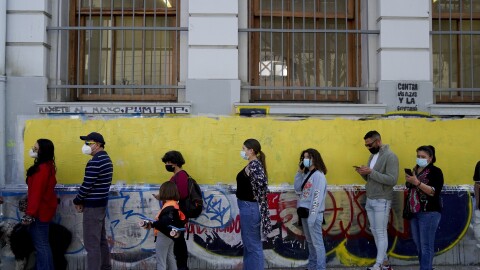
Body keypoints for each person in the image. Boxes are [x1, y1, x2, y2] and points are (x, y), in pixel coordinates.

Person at [355, 130, 398, 270]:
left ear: (378, 141)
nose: (368, 147)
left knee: (380, 231)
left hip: (382, 200)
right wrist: (363, 173)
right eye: (366, 145)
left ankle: (379, 265)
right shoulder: (372, 156)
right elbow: (371, 178)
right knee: (374, 230)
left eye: (370, 144)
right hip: (371, 198)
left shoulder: (391, 157)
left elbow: (392, 180)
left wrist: (371, 172)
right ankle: (385, 263)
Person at [73, 132, 113, 270]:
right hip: (101, 205)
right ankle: (105, 267)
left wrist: (77, 200)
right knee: (101, 240)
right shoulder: (106, 159)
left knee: (92, 245)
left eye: (88, 143)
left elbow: (87, 185)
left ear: (97, 144)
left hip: (93, 208)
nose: (85, 146)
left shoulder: (95, 161)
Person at [405, 145, 444, 270]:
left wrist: (417, 183)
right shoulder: (415, 170)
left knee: (426, 245)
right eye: (418, 156)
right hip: (414, 212)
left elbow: (434, 192)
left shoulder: (436, 172)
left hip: (429, 212)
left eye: (423, 157)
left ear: (430, 158)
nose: (420, 159)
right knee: (419, 245)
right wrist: (410, 180)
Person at [236, 138, 272, 270]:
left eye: (244, 149)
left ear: (251, 151)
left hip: (249, 208)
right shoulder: (252, 164)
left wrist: (256, 195)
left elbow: (263, 185)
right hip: (247, 208)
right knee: (249, 245)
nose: (242, 151)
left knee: (253, 245)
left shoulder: (255, 165)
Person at [21, 138, 58, 270]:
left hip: (39, 212)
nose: (32, 150)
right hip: (44, 210)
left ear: (43, 151)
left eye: (35, 148)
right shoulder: (48, 166)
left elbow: (36, 193)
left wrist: (29, 214)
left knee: (41, 245)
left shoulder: (42, 169)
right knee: (43, 244)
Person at [293, 148, 328, 270]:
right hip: (304, 213)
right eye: (304, 157)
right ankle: (312, 266)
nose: (306, 160)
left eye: (308, 157)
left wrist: (312, 218)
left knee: (317, 243)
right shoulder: (306, 174)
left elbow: (317, 198)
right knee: (310, 242)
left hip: (313, 214)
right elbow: (297, 189)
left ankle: (320, 267)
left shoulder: (319, 176)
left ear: (315, 158)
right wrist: (299, 172)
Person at [141, 181, 187, 270]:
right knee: (170, 258)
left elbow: (164, 222)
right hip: (171, 235)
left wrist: (153, 224)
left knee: (161, 261)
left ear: (164, 192)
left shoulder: (168, 206)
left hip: (163, 235)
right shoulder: (174, 204)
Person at [161, 150, 189, 270]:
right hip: (174, 214)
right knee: (177, 242)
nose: (167, 165)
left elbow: (182, 194)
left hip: (178, 214)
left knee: (179, 243)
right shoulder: (175, 176)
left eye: (168, 162)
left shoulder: (181, 175)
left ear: (175, 163)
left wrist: (167, 195)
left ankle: (182, 267)